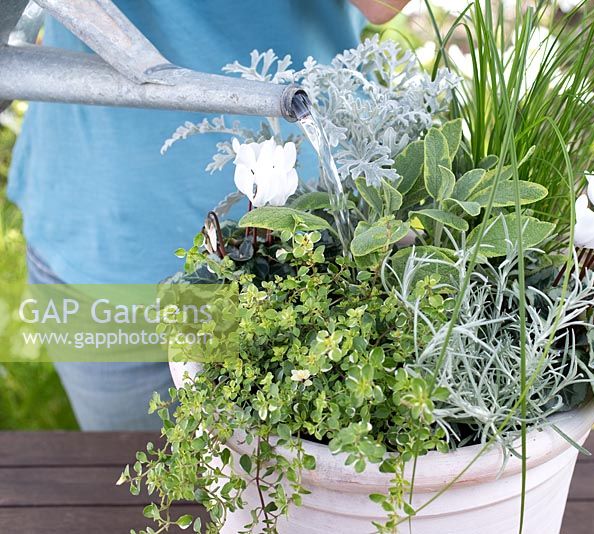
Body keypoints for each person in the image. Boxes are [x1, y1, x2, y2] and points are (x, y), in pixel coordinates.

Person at [9, 0, 409, 431]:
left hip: (307, 237)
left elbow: (381, 5)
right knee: (137, 467)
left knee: (297, 484)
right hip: (104, 239)